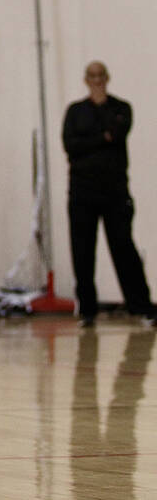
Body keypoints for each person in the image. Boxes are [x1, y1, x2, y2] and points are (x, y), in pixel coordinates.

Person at [62, 61, 155, 327]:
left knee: (124, 247)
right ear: (85, 79)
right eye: (92, 76)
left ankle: (141, 307)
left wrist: (92, 140)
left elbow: (116, 133)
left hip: (114, 191)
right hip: (82, 192)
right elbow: (71, 146)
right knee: (82, 252)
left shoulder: (121, 108)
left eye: (101, 75)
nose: (97, 81)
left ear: (108, 78)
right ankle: (87, 311)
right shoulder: (75, 111)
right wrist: (100, 138)